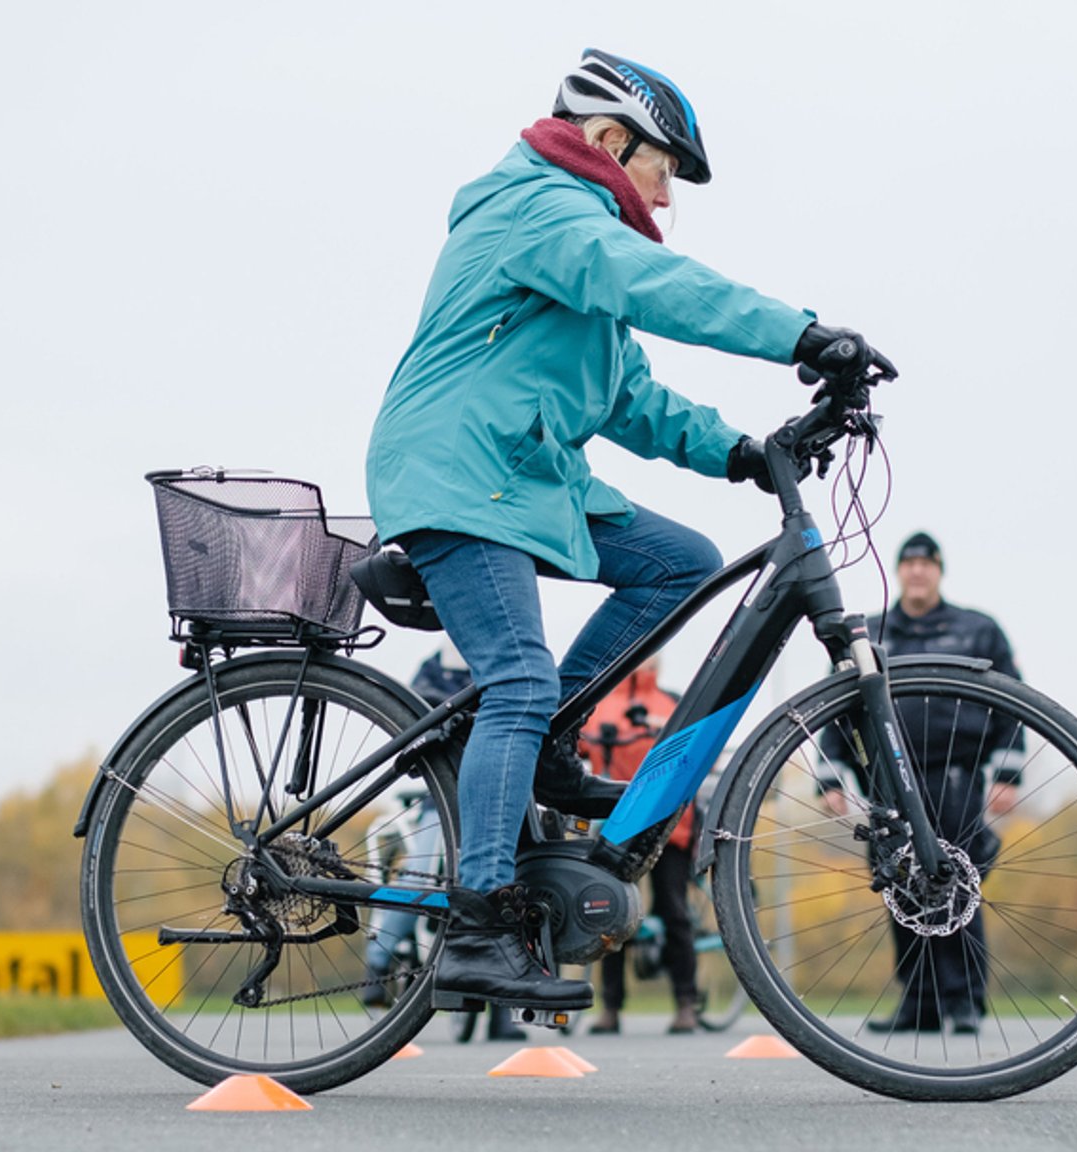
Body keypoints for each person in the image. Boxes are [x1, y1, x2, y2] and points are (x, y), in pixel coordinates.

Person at [364, 47, 894, 1016]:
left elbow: (629, 399)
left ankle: (548, 741)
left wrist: (739, 450)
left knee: (678, 561)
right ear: (609, 140)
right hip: (457, 473)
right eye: (662, 168)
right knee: (515, 679)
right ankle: (475, 927)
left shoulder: (575, 245)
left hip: (521, 476)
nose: (665, 196)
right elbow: (654, 282)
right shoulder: (540, 210)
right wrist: (801, 336)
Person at [818, 532, 1022, 1034]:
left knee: (957, 886)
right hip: (886, 783)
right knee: (902, 890)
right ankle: (920, 1003)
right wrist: (829, 777)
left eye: (925, 563)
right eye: (907, 563)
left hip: (956, 777)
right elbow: (836, 706)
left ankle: (965, 1002)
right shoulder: (870, 634)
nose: (916, 571)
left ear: (938, 571)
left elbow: (1013, 702)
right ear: (899, 571)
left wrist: (1010, 774)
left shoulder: (977, 630)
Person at [361, 643, 525, 1040]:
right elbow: (415, 721)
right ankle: (378, 959)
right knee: (422, 872)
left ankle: (503, 1007)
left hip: (499, 800)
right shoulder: (433, 670)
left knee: (515, 886)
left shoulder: (510, 662)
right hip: (442, 800)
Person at [576, 659, 700, 1035]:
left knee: (674, 910)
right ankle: (611, 1007)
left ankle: (686, 1003)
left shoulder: (673, 703)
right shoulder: (597, 706)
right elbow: (576, 749)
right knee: (610, 912)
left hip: (668, 824)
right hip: (614, 822)